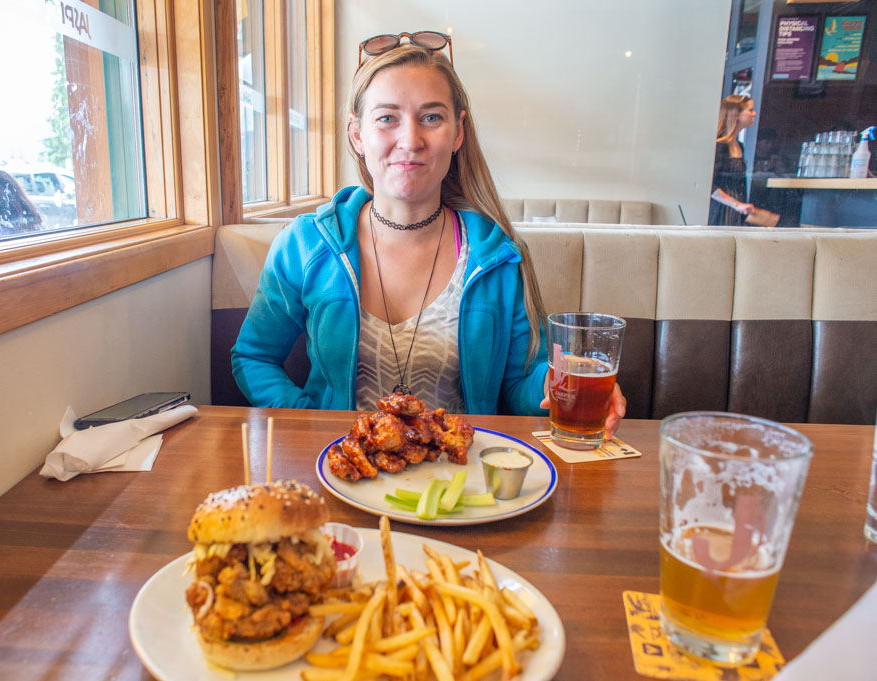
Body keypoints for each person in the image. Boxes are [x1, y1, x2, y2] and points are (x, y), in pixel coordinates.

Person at [232, 33, 626, 433]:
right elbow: (253, 357)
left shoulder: (500, 256)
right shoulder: (305, 245)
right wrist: (314, 424)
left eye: (431, 118)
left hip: (459, 478)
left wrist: (554, 385)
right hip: (344, 470)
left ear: (458, 132)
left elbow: (518, 387)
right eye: (387, 118)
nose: (411, 140)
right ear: (357, 134)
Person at [709, 94, 757, 225]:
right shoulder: (719, 146)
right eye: (750, 110)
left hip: (735, 212)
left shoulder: (739, 145)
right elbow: (709, 184)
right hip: (721, 211)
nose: (754, 114)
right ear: (736, 114)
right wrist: (736, 204)